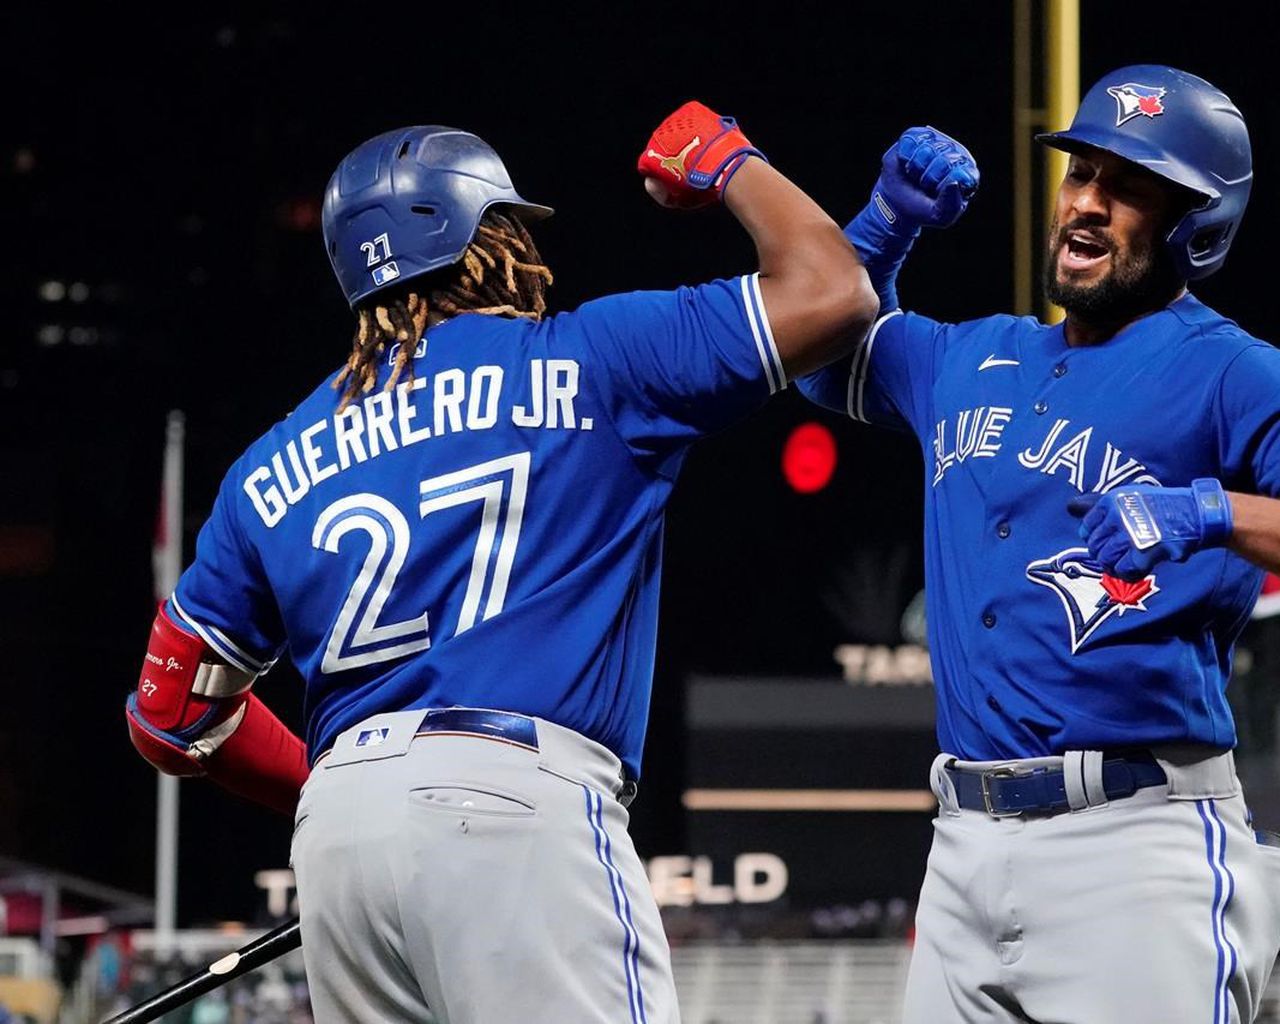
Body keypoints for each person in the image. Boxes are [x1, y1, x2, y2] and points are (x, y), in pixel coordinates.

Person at [124, 102, 877, 1022]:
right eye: (511, 224)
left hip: (340, 838)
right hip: (515, 802)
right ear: (481, 236)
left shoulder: (268, 466)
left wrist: (345, 795)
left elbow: (168, 719)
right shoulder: (596, 358)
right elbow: (834, 291)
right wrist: (727, 159)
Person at [799, 65, 1280, 1022]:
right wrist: (885, 225)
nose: (1088, 206)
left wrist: (1210, 512)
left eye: (1130, 187)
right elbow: (819, 363)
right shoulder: (969, 353)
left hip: (1136, 846)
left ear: (1199, 225)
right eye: (1081, 174)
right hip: (962, 847)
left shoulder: (1232, 370)